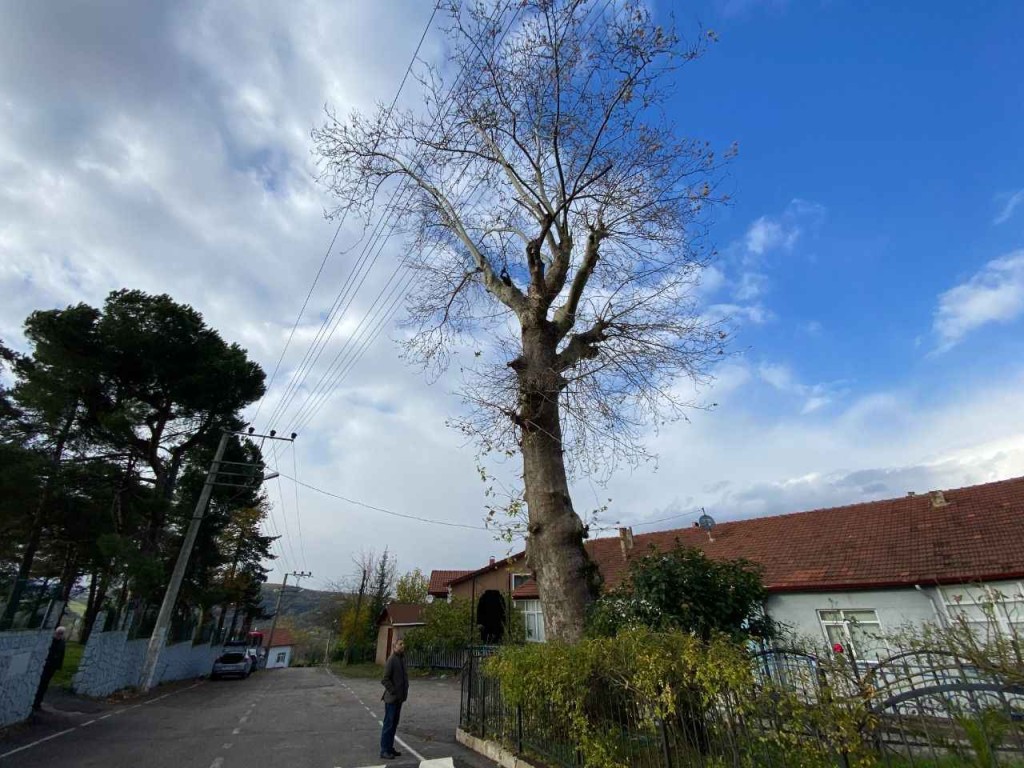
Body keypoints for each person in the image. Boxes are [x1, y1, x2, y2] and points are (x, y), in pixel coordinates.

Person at [379, 639, 409, 760]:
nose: (403, 646)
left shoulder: (401, 659)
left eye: (403, 644)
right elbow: (385, 679)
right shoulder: (392, 660)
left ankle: (390, 748)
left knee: (394, 724)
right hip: (391, 699)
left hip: (399, 699)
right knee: (388, 724)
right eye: (400, 644)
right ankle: (384, 750)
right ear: (394, 646)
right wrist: (394, 691)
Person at [33, 626, 67, 711]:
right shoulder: (50, 641)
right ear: (55, 633)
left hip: (52, 666)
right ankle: (35, 702)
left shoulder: (62, 643)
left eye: (61, 633)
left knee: (44, 684)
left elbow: (62, 655)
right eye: (58, 633)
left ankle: (37, 703)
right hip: (45, 665)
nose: (59, 635)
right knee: (40, 683)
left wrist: (58, 666)